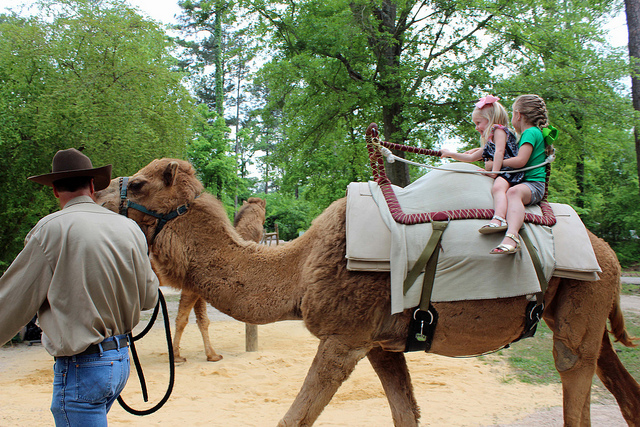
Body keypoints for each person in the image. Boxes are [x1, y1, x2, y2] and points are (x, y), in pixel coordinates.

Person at [0, 148, 159, 426]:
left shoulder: (50, 229)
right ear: (93, 186)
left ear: (53, 190)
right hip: (119, 361)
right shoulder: (129, 229)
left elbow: (12, 302)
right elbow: (148, 298)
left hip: (82, 367)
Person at [441, 95, 522, 234]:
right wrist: (450, 154)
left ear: (490, 120)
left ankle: (499, 218)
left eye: (478, 123)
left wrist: (494, 172)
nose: (476, 127)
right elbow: (471, 157)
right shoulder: (491, 141)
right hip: (502, 172)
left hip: (509, 172)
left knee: (497, 188)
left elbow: (500, 152)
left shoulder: (499, 131)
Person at [485, 94, 551, 254]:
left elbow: (521, 161)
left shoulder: (530, 133)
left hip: (534, 185)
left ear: (518, 114)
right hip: (526, 182)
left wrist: (496, 165)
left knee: (513, 193)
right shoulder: (532, 133)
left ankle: (512, 236)